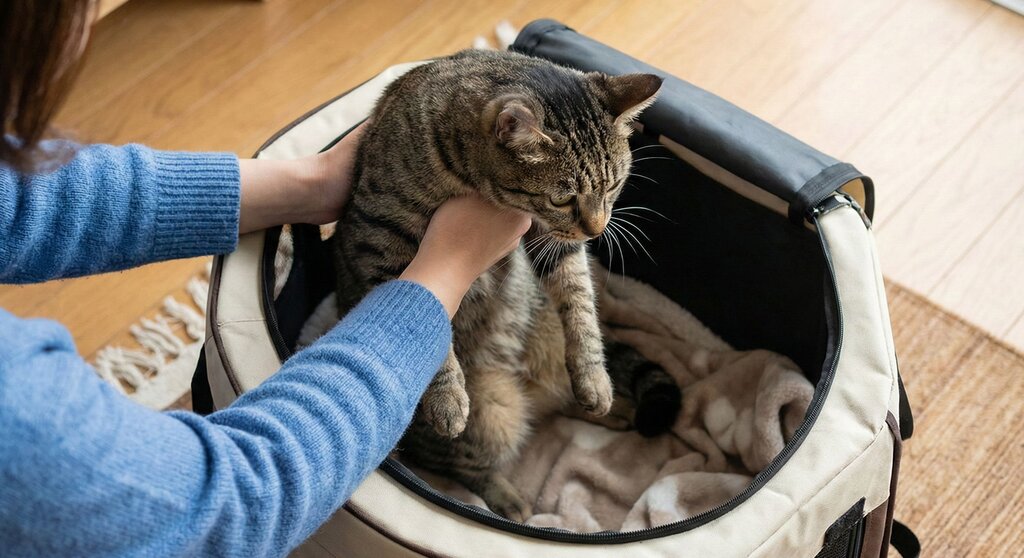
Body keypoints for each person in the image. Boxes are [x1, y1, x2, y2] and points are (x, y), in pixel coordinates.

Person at [0, 2, 532, 556]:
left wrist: (312, 183)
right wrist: (440, 278)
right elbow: (228, 505)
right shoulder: (18, 413)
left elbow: (13, 201)